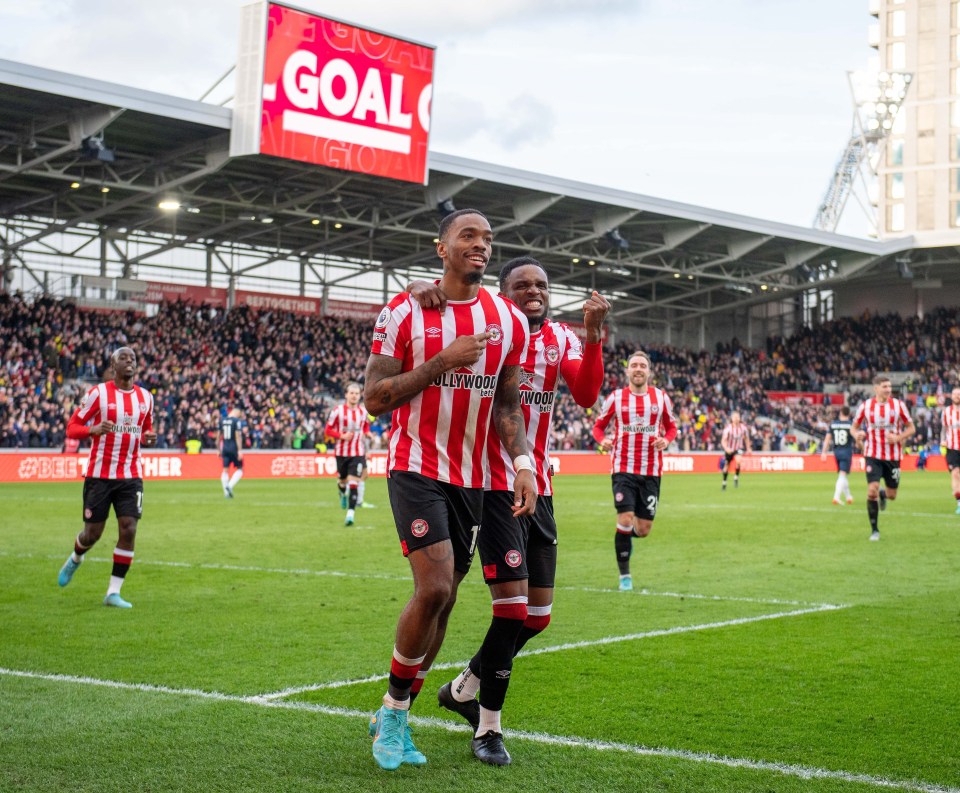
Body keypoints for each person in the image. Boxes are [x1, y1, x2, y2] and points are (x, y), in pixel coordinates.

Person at [411, 256, 609, 765]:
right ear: (503, 293)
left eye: (541, 284)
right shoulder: (490, 326)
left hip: (539, 483)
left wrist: (593, 336)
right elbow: (448, 302)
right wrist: (424, 287)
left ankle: (463, 688)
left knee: (537, 619)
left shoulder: (562, 339)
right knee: (512, 610)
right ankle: (488, 727)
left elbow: (586, 394)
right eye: (521, 285)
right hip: (494, 484)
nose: (533, 291)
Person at [363, 208, 536, 771]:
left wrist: (524, 462)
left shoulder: (509, 321)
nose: (481, 246)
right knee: (434, 587)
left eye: (488, 239)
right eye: (468, 236)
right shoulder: (404, 311)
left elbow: (508, 404)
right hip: (416, 466)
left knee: (447, 598)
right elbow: (375, 398)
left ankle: (398, 707)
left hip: (475, 480)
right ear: (441, 248)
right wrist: (440, 362)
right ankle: (393, 713)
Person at [57, 347, 157, 608]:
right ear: (113, 366)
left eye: (133, 358)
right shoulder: (98, 394)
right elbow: (72, 428)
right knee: (92, 534)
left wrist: (148, 437)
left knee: (129, 529)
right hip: (99, 475)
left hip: (131, 475)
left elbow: (146, 429)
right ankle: (76, 557)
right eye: (123, 358)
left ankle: (113, 592)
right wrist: (93, 429)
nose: (129, 361)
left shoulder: (146, 397)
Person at [592, 351, 677, 591]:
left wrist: (666, 440)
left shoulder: (661, 398)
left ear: (649, 372)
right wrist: (603, 441)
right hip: (623, 468)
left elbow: (672, 428)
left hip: (651, 472)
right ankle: (625, 577)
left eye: (642, 365)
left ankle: (625, 536)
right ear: (627, 371)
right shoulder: (616, 398)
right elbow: (598, 428)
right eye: (634, 365)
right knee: (625, 518)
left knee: (643, 529)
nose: (638, 369)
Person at [852, 375, 916, 541]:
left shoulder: (898, 405)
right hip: (872, 454)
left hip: (893, 456)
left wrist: (898, 437)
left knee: (892, 494)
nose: (888, 389)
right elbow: (854, 428)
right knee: (871, 490)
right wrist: (857, 435)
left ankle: (884, 494)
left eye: (889, 386)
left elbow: (911, 428)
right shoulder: (866, 407)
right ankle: (874, 530)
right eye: (885, 386)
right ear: (876, 388)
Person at [324, 381, 371, 525]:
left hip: (357, 452)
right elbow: (328, 430)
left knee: (353, 482)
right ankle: (342, 493)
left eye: (357, 394)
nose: (354, 396)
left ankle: (350, 515)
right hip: (341, 453)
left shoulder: (363, 412)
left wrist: (368, 433)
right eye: (351, 393)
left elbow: (365, 427)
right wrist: (341, 436)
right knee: (342, 482)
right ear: (346, 395)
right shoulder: (337, 411)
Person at [821, 405, 855, 505]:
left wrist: (824, 452)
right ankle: (836, 497)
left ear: (840, 413)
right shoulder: (851, 425)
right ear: (849, 414)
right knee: (842, 475)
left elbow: (827, 439)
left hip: (837, 452)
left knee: (842, 474)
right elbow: (857, 438)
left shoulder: (833, 424)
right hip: (846, 451)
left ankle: (848, 496)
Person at [940, 385, 960, 513]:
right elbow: (943, 429)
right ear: (951, 396)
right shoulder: (946, 412)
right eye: (955, 394)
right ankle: (959, 502)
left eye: (959, 394)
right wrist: (942, 439)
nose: (957, 396)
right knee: (955, 474)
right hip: (952, 448)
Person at [216, 407, 244, 498]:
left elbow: (218, 438)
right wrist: (239, 450)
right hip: (234, 448)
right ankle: (229, 486)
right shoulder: (236, 421)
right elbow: (237, 437)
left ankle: (226, 493)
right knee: (240, 469)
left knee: (225, 470)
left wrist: (218, 450)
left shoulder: (222, 420)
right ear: (237, 413)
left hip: (225, 448)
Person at [720, 411, 748, 490]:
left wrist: (748, 447)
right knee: (726, 466)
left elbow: (746, 438)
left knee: (738, 461)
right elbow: (723, 440)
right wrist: (726, 448)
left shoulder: (743, 428)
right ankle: (724, 482)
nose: (736, 419)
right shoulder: (728, 429)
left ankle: (736, 477)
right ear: (732, 419)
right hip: (729, 449)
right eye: (735, 417)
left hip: (738, 448)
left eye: (738, 417)